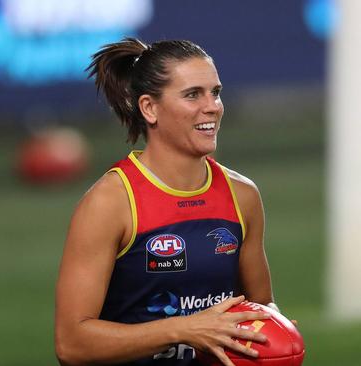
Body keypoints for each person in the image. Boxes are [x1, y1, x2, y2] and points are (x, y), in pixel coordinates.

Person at [55, 38, 280, 366]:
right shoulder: (111, 202)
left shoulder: (242, 195)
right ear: (149, 108)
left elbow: (262, 308)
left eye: (215, 92)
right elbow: (71, 344)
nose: (212, 106)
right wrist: (183, 329)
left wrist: (278, 334)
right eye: (193, 94)